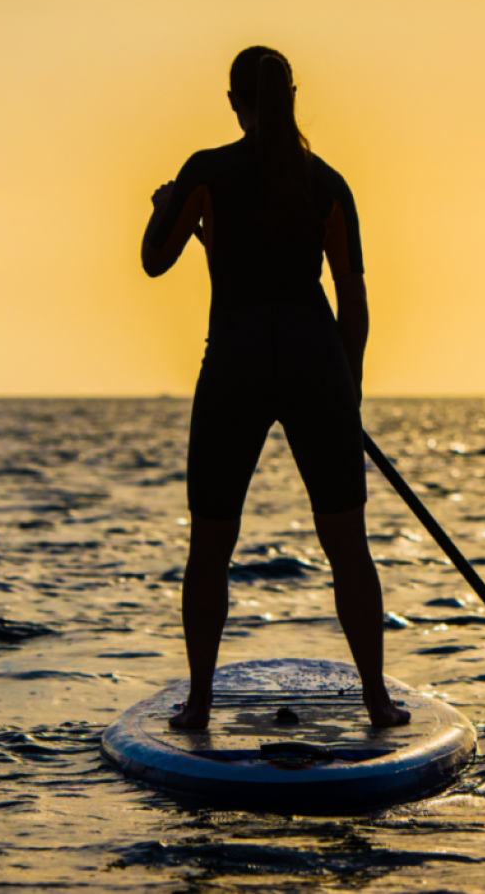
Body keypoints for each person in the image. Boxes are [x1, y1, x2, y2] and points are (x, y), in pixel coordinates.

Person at [141, 46, 409, 730]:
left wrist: (165, 206)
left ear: (235, 102)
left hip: (234, 361)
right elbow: (352, 301)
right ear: (290, 96)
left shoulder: (204, 172)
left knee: (211, 543)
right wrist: (346, 390)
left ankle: (199, 704)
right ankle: (376, 701)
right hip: (315, 359)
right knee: (347, 542)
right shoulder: (327, 184)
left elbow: (153, 260)